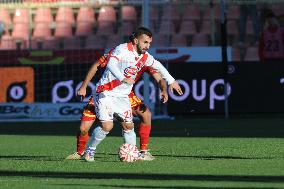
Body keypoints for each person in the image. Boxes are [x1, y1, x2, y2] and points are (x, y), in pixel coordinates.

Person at [83, 26, 183, 162]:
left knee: (129, 126)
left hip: (123, 96)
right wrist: (122, 77)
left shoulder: (145, 57)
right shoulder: (122, 49)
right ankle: (89, 151)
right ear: (136, 41)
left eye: (149, 43)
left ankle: (132, 154)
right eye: (145, 42)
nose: (147, 46)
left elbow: (158, 66)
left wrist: (171, 81)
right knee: (107, 126)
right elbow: (111, 64)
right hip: (105, 92)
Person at [65, 53, 171, 161]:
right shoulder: (118, 54)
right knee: (83, 129)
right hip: (105, 93)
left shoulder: (145, 60)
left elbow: (159, 78)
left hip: (124, 95)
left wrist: (163, 90)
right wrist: (84, 86)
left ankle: (142, 151)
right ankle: (80, 152)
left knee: (145, 114)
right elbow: (97, 64)